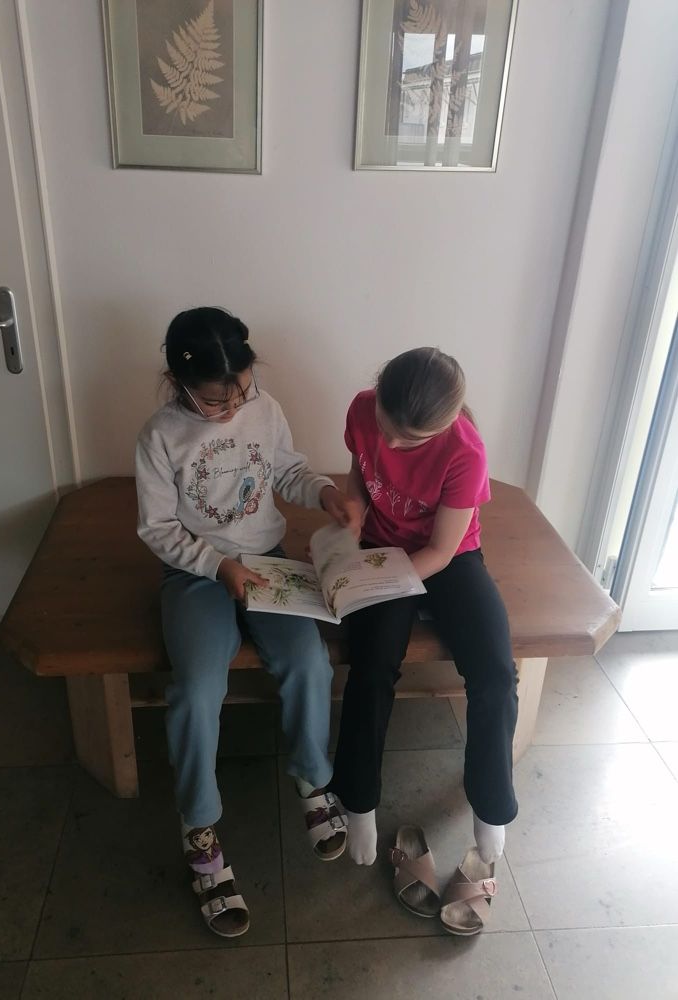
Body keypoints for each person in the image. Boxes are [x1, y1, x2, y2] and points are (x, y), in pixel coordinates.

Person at [135, 307, 353, 938]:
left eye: (241, 392)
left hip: (267, 563)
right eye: (213, 401)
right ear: (179, 382)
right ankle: (199, 825)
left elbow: (286, 469)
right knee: (197, 688)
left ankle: (313, 781)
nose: (231, 408)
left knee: (309, 662)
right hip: (195, 574)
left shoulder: (264, 407)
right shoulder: (160, 435)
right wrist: (216, 565)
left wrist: (324, 492)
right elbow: (157, 528)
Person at [329, 347, 518, 891]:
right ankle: (358, 800)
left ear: (444, 425)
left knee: (495, 672)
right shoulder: (362, 408)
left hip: (449, 555)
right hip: (381, 545)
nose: (390, 444)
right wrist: (354, 516)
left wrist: (381, 583)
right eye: (387, 428)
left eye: (409, 441)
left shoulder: (465, 451)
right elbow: (360, 472)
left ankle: (491, 804)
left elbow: (440, 550)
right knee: (371, 664)